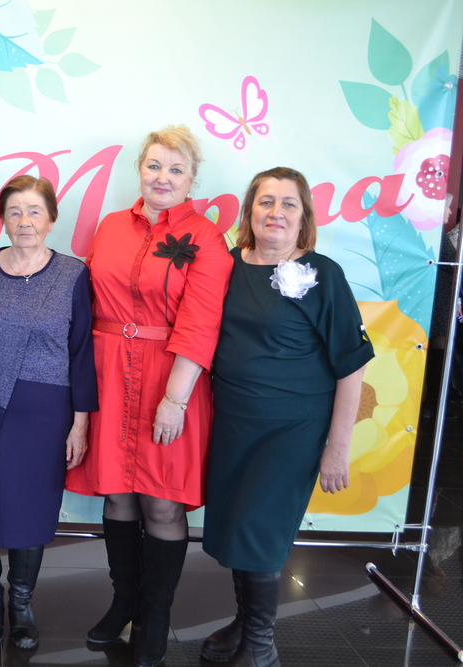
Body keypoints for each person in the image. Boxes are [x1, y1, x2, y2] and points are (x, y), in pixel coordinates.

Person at [65, 126, 233, 666]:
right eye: (154, 165)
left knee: (162, 500)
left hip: (172, 377)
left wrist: (175, 399)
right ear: (140, 169)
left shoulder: (207, 238)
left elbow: (201, 325)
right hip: (110, 374)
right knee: (117, 493)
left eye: (176, 169)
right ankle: (123, 603)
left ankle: (154, 616)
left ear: (191, 179)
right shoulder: (111, 226)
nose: (163, 178)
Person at [201, 167, 373, 667]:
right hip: (233, 422)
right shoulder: (227, 266)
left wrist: (337, 448)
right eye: (266, 201)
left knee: (258, 526)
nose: (276, 212)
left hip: (292, 429)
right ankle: (244, 622)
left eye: (288, 203)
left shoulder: (324, 274)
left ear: (303, 217)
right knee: (237, 525)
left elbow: (351, 367)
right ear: (249, 211)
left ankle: (260, 644)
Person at [0, 175, 98, 649]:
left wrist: (80, 421)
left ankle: (21, 602)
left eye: (35, 211)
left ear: (51, 219)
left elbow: (82, 352)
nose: (25, 221)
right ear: (2, 220)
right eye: (15, 211)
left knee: (30, 505)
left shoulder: (72, 274)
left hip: (44, 410)